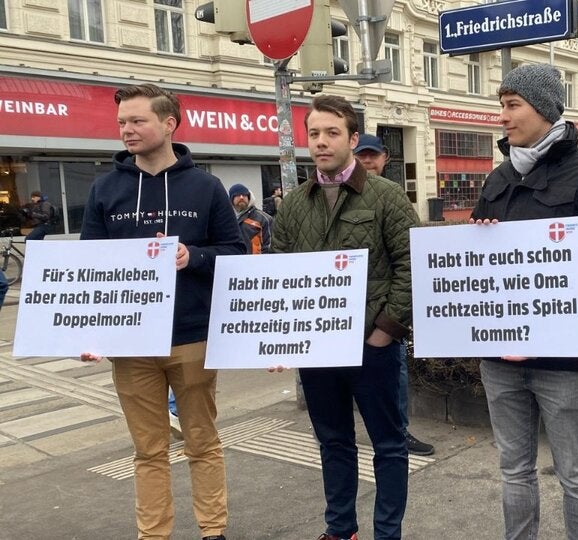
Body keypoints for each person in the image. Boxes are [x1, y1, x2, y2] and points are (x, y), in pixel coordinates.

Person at [470, 63, 578, 540]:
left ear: (543, 108)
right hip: (499, 356)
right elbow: (479, 266)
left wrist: (542, 333)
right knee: (513, 470)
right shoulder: (499, 177)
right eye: (501, 105)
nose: (502, 116)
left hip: (562, 361)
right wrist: (477, 241)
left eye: (512, 105)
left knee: (576, 475)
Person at [79, 83, 244, 540]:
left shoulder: (206, 187)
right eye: (121, 123)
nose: (126, 131)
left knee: (202, 442)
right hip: (130, 345)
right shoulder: (105, 189)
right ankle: (153, 534)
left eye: (137, 121)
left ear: (169, 123)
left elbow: (234, 252)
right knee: (148, 450)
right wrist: (87, 334)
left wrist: (195, 257)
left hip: (191, 337)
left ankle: (213, 531)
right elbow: (89, 268)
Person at [271, 95, 419, 540]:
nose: (320, 142)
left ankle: (386, 533)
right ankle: (340, 530)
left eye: (331, 133)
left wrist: (385, 331)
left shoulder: (385, 196)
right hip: (317, 352)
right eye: (313, 133)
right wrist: (276, 336)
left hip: (372, 349)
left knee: (389, 446)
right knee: (333, 443)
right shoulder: (294, 205)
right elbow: (277, 275)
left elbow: (411, 266)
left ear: (353, 139)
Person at [352, 133, 435, 457]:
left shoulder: (393, 196)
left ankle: (399, 432)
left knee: (394, 379)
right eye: (362, 155)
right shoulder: (336, 198)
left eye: (372, 155)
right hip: (340, 312)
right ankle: (334, 432)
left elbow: (412, 258)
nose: (367, 161)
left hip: (383, 315)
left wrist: (391, 320)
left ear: (384, 158)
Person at [228, 183, 273, 254]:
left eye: (244, 195)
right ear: (231, 199)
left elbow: (270, 246)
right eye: (237, 195)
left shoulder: (264, 219)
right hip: (233, 262)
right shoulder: (225, 219)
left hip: (255, 262)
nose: (241, 197)